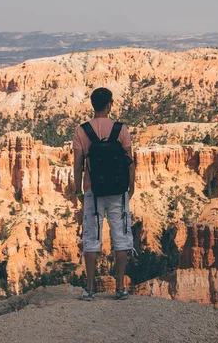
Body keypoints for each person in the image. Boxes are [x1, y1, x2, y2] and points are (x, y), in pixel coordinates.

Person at [72, 87, 135, 301]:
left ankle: (89, 289)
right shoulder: (121, 129)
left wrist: (78, 190)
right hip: (118, 190)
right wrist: (131, 187)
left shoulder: (82, 131)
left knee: (92, 236)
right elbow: (129, 162)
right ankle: (120, 288)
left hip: (93, 191)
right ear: (110, 105)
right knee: (121, 237)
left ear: (93, 105)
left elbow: (78, 164)